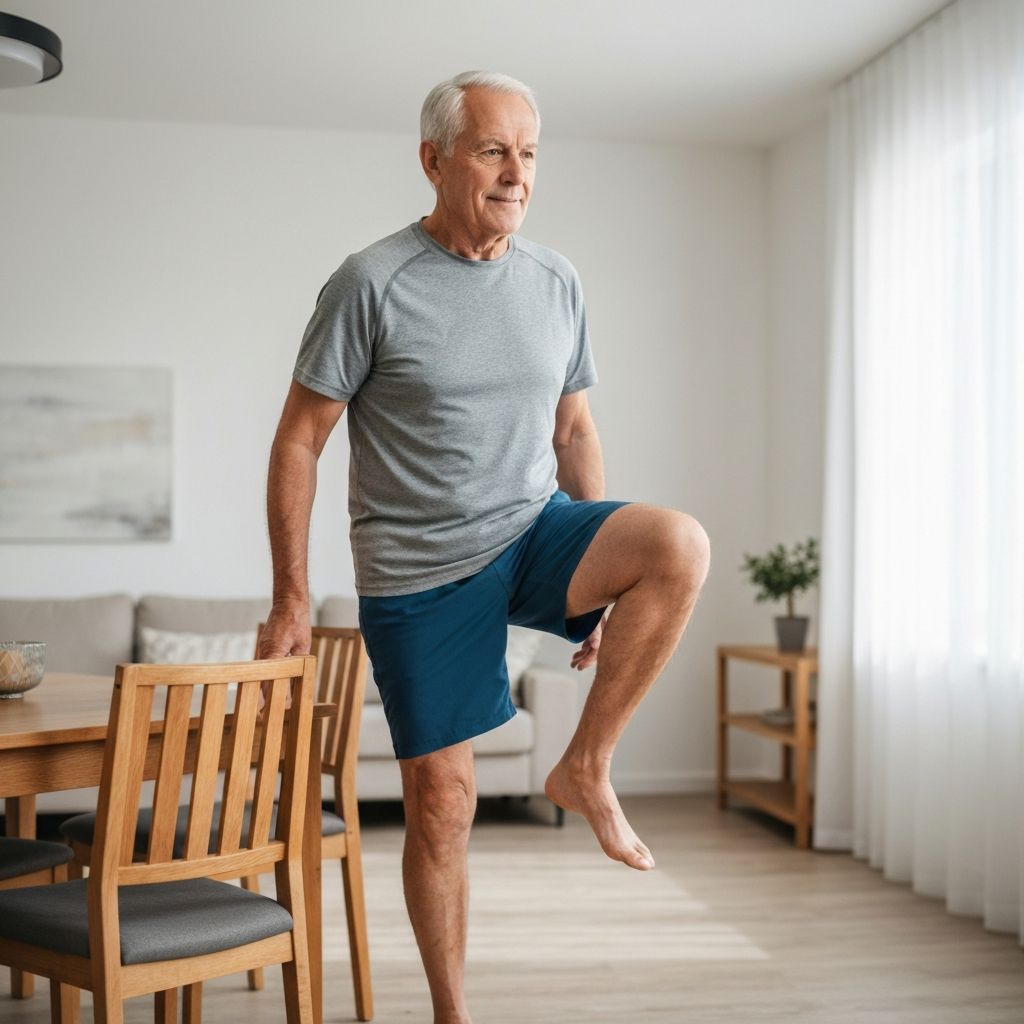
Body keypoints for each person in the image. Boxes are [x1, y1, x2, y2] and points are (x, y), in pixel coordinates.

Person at [261, 70, 711, 1024]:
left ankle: (584, 767)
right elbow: (300, 438)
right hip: (418, 569)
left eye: (531, 152)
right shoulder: (370, 282)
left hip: (532, 527)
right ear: (434, 160)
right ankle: (453, 1014)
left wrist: (595, 578)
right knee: (445, 804)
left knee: (677, 543)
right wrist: (292, 597)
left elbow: (575, 430)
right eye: (493, 149)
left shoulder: (556, 279)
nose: (518, 173)